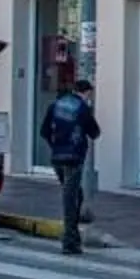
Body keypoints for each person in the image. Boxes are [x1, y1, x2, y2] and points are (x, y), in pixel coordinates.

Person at [40, 75, 100, 255]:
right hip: (74, 157)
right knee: (70, 199)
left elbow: (44, 132)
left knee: (75, 195)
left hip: (57, 157)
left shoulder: (55, 104)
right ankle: (69, 241)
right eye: (90, 94)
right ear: (86, 92)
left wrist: (55, 146)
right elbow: (95, 132)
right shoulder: (82, 108)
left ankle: (73, 237)